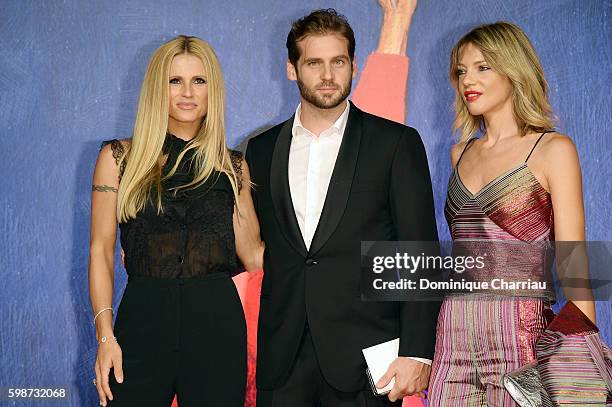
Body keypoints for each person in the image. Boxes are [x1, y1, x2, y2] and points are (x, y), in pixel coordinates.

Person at [245, 9, 440, 407]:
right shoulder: (261, 150)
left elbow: (418, 251)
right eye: (314, 63)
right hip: (283, 360)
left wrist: (417, 351)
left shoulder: (395, 144)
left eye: (338, 61)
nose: (328, 75)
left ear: (354, 64)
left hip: (368, 360)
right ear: (291, 69)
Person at [88, 35, 263, 407]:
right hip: (143, 320)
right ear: (157, 88)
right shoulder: (119, 159)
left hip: (217, 324)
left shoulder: (232, 167)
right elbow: (101, 250)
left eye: (198, 81)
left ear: (211, 89)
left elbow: (253, 255)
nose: (187, 92)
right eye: (175, 81)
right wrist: (105, 336)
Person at [427, 22, 596, 406]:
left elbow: (576, 275)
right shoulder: (460, 154)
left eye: (483, 67)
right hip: (452, 334)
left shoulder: (553, 150)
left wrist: (581, 377)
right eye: (461, 70)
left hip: (520, 338)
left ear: (514, 69)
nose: (468, 79)